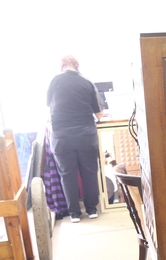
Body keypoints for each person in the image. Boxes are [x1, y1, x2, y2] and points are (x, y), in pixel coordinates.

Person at [47, 55, 103, 223]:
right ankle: (92, 209)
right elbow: (99, 115)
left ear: (62, 65)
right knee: (90, 173)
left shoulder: (54, 81)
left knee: (67, 175)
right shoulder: (87, 82)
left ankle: (74, 214)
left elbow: (50, 106)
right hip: (85, 135)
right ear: (77, 66)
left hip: (62, 137)